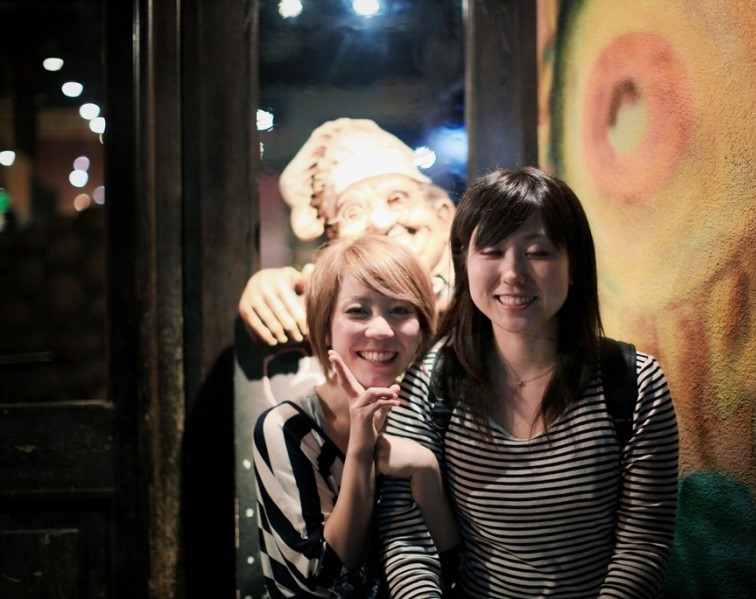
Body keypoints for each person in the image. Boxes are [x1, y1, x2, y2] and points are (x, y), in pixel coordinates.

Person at [378, 167, 680, 598]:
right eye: (492, 251)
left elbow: (642, 545)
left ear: (574, 265)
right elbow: (408, 537)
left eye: (538, 252)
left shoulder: (634, 383)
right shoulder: (432, 379)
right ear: (464, 262)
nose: (513, 273)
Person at [253, 235, 459, 598]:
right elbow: (320, 577)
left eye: (401, 310)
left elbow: (457, 567)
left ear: (423, 329)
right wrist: (361, 453)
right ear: (325, 327)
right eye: (357, 311)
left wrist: (426, 470)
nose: (381, 330)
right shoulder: (286, 428)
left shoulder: (426, 416)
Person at [240, 118, 457, 348]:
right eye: (353, 213)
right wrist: (270, 290)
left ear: (442, 215)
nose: (380, 222)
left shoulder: (477, 293)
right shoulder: (339, 307)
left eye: (397, 199)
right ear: (336, 240)